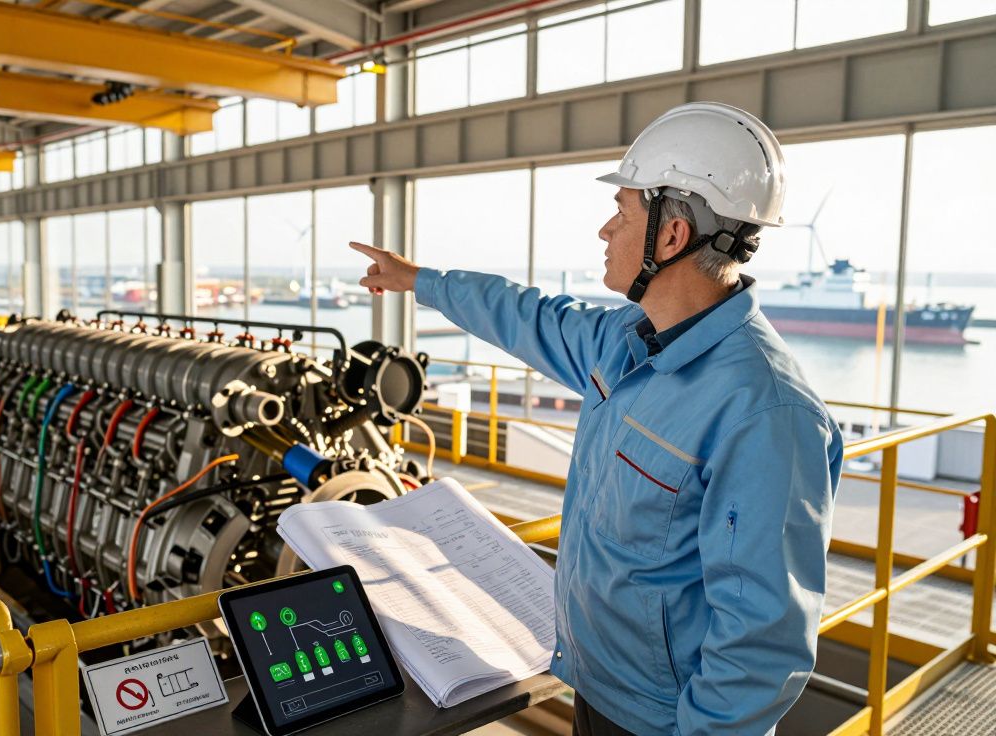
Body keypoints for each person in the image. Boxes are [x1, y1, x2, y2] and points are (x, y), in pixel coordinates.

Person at [352, 102, 843, 735]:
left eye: (625, 212)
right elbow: (525, 315)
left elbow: (760, 641)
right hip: (596, 684)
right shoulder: (628, 340)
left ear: (671, 236)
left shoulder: (764, 412)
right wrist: (420, 281)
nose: (606, 230)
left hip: (664, 724)